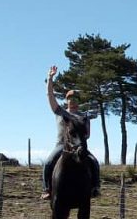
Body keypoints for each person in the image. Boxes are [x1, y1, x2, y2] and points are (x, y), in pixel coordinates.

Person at [41, 65, 101, 200]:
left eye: (75, 99)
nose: (73, 101)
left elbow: (87, 134)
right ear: (67, 100)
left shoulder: (84, 116)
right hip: (61, 145)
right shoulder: (60, 112)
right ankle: (46, 189)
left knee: (94, 162)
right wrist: (50, 79)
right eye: (70, 98)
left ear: (79, 102)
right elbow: (50, 96)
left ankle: (95, 187)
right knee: (49, 162)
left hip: (79, 145)